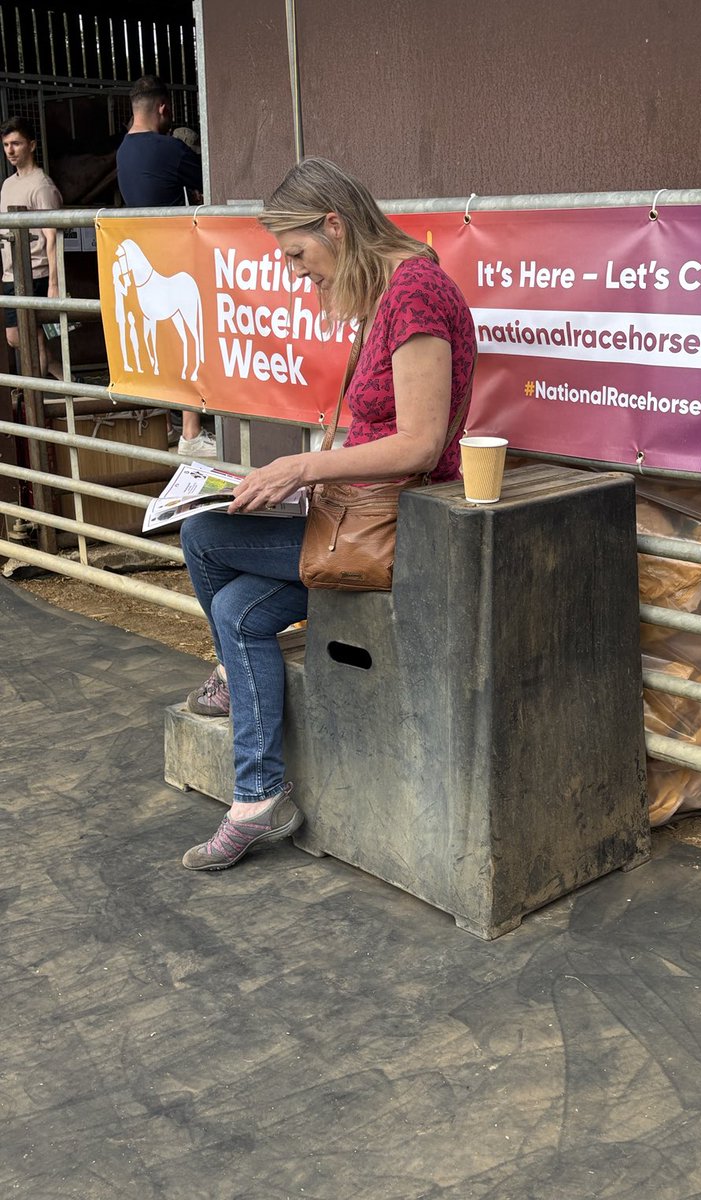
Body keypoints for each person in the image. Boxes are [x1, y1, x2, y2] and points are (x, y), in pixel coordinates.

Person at [179, 156, 477, 871]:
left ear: (335, 225)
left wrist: (300, 467)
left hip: (395, 527)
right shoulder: (391, 287)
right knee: (240, 614)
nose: (294, 272)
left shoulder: (415, 296)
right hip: (359, 516)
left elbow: (421, 442)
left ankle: (233, 691)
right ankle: (258, 800)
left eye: (298, 254)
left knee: (203, 534)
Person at [116, 75, 214, 457]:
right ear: (162, 108)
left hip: (146, 255)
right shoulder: (169, 149)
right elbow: (210, 177)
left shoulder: (123, 151)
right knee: (191, 331)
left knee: (169, 340)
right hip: (173, 256)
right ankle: (191, 430)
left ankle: (182, 423)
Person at [1, 116, 63, 376]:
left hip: (35, 272)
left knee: (29, 335)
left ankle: (37, 396)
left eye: (16, 143)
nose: (10, 151)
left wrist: (54, 283)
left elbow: (53, 235)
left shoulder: (42, 185)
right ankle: (65, 377)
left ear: (32, 145)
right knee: (15, 337)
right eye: (6, 145)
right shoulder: (8, 184)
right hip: (11, 272)